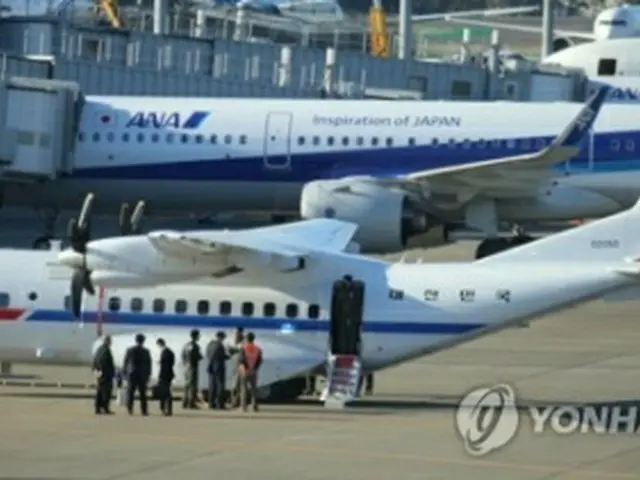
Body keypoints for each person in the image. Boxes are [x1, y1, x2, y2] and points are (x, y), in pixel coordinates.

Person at [123, 333, 152, 416]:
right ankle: (144, 411)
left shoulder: (130, 350)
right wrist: (148, 374)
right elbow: (149, 364)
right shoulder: (146, 351)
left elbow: (125, 362)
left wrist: (124, 373)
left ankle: (129, 409)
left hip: (132, 374)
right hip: (142, 375)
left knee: (130, 393)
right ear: (143, 341)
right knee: (143, 394)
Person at [238, 332, 263, 412]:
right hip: (254, 371)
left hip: (245, 371)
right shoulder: (258, 348)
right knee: (254, 390)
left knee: (244, 389)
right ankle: (254, 406)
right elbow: (259, 360)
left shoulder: (243, 348)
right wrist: (254, 369)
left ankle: (244, 407)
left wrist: (245, 369)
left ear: (246, 339)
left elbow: (241, 360)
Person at [92, 335, 115, 415]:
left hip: (99, 373)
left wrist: (95, 370)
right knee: (106, 392)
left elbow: (95, 360)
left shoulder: (99, 349)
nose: (111, 342)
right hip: (105, 374)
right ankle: (105, 408)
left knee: (99, 391)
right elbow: (105, 363)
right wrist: (109, 373)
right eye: (110, 341)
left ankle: (97, 408)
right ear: (107, 341)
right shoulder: (106, 350)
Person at [207, 331, 229, 409]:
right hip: (219, 367)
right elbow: (222, 356)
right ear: (221, 337)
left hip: (211, 367)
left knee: (212, 386)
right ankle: (220, 404)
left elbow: (208, 354)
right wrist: (229, 356)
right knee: (220, 386)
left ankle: (211, 403)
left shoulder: (210, 344)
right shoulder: (220, 345)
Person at [181, 328, 202, 409]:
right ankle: (191, 403)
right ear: (196, 336)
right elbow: (198, 356)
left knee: (186, 385)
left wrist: (185, 363)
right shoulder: (195, 346)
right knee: (192, 385)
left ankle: (185, 402)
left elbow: (182, 355)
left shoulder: (186, 345)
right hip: (192, 366)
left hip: (186, 366)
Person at [156, 338, 175, 416]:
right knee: (167, 392)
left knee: (165, 393)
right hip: (169, 374)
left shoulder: (165, 352)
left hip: (165, 375)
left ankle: (164, 409)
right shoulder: (169, 351)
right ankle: (167, 409)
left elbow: (165, 365)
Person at [229, 327, 245, 407]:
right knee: (236, 385)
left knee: (236, 385)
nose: (235, 336)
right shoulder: (238, 345)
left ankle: (236, 402)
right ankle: (236, 402)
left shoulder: (242, 345)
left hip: (240, 368)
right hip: (237, 368)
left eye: (236, 334)